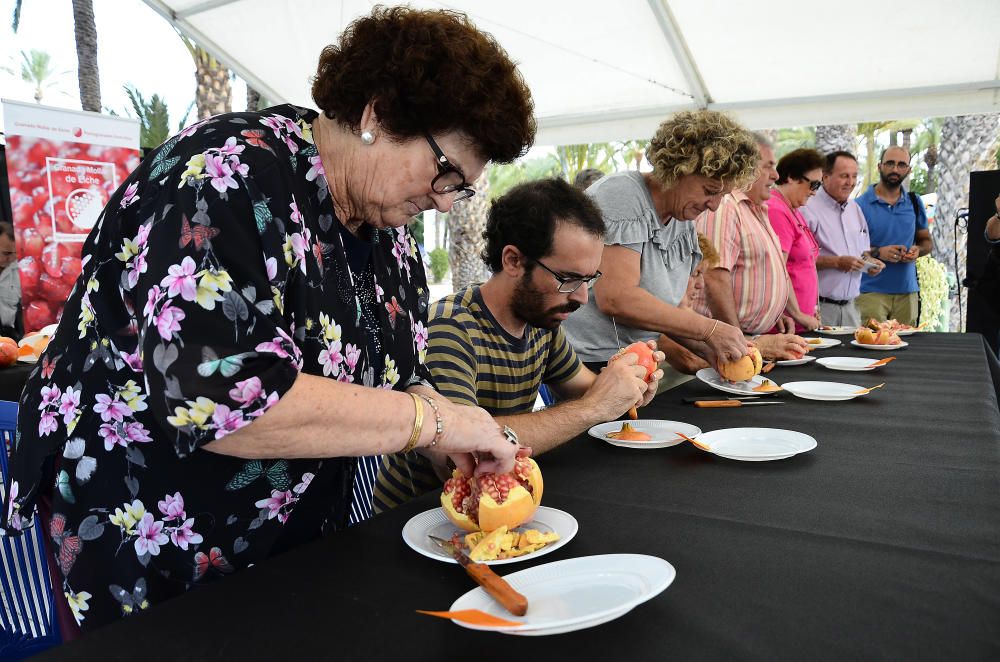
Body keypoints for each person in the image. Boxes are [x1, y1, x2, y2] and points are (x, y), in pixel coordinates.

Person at [0, 6, 535, 635]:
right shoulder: (223, 177)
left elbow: (396, 376)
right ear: (377, 114)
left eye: (462, 188)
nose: (445, 199)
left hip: (295, 538)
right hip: (149, 534)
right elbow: (222, 403)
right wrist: (439, 421)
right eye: (445, 171)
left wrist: (453, 437)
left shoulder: (392, 236)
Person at [375, 179, 663, 509]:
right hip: (421, 520)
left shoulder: (541, 321)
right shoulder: (451, 327)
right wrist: (594, 407)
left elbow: (586, 389)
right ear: (513, 261)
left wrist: (627, 386)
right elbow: (463, 452)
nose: (582, 297)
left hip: (501, 507)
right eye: (568, 279)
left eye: (588, 280)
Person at [562, 110, 756, 377]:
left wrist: (711, 350)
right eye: (710, 191)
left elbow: (666, 308)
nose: (714, 206)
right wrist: (710, 329)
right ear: (677, 170)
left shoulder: (681, 218)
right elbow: (617, 298)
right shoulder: (622, 195)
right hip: (589, 365)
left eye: (722, 195)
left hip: (635, 362)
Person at [692, 135, 810, 360]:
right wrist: (739, 346)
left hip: (749, 341)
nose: (775, 175)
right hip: (728, 349)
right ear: (743, 167)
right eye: (768, 166)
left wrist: (772, 314)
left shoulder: (755, 209)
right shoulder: (725, 206)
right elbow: (714, 277)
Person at [801, 151, 884, 327]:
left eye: (854, 176)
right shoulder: (807, 208)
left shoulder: (856, 210)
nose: (851, 182)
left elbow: (863, 253)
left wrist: (870, 263)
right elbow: (797, 261)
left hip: (851, 309)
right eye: (844, 176)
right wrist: (836, 262)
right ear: (825, 176)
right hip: (819, 309)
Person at [855, 146, 933, 325]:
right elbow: (848, 249)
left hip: (907, 293)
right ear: (879, 166)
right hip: (869, 293)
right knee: (872, 349)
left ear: (909, 170)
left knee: (908, 350)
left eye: (901, 164)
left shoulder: (914, 202)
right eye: (890, 163)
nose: (895, 169)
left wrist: (917, 250)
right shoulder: (859, 206)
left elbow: (926, 242)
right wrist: (878, 252)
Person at [766, 148, 824, 333]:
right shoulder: (777, 210)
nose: (815, 192)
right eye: (813, 185)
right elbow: (778, 268)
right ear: (791, 177)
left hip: (801, 324)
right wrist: (798, 314)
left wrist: (810, 310)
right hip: (786, 326)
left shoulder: (792, 210)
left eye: (818, 187)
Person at [0, 221, 22, 338]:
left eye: (15, 253)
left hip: (11, 337)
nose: (12, 258)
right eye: (6, 253)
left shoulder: (18, 270)